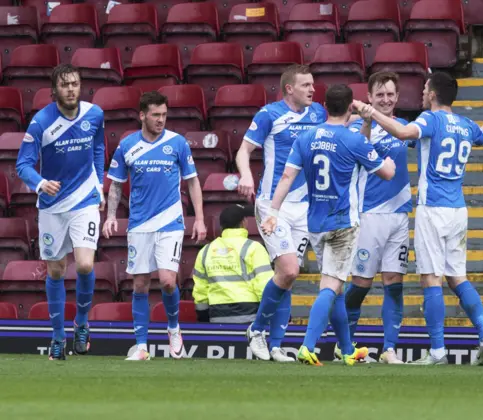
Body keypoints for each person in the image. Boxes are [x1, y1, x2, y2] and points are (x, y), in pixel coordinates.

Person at [353, 72, 483, 366]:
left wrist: (371, 113)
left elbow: (404, 134)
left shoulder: (428, 120)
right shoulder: (465, 124)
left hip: (432, 208)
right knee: (458, 276)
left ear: (432, 95)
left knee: (431, 278)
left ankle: (436, 351)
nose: (421, 93)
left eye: (424, 89)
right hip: (458, 210)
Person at [261, 84, 396, 366]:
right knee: (331, 286)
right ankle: (308, 345)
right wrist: (390, 163)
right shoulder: (353, 140)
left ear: (324, 104)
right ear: (350, 108)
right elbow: (384, 173)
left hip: (315, 223)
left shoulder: (307, 137)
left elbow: (286, 176)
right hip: (342, 223)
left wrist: (273, 211)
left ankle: (347, 350)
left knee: (334, 287)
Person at [103, 91, 207, 361]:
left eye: (164, 115)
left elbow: (193, 181)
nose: (161, 120)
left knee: (168, 281)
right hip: (139, 223)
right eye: (155, 115)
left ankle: (173, 330)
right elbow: (115, 184)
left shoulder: (178, 143)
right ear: (142, 115)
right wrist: (111, 216)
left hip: (171, 221)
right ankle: (141, 346)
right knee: (139, 284)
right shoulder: (127, 146)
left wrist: (199, 218)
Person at [236, 64, 327, 361]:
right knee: (288, 269)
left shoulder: (318, 114)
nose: (312, 89)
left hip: (304, 206)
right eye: (305, 85)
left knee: (288, 276)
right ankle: (258, 330)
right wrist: (246, 175)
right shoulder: (269, 115)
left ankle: (275, 345)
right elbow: (243, 151)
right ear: (289, 89)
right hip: (271, 205)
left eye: (313, 84)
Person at [16, 64, 105, 360]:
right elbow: (23, 165)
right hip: (53, 207)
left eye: (75, 84)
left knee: (84, 266)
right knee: (56, 270)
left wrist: (100, 183)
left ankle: (82, 323)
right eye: (65, 85)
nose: (71, 89)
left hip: (85, 200)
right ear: (55, 90)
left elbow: (98, 149)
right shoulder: (40, 123)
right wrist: (41, 183)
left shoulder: (94, 114)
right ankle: (57, 336)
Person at [341, 71, 411, 364]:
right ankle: (346, 347)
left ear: (397, 97)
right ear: (369, 97)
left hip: (399, 215)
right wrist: (368, 120)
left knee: (395, 282)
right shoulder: (356, 125)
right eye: (379, 94)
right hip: (368, 215)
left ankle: (390, 349)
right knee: (360, 284)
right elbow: (359, 151)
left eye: (390, 94)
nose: (385, 99)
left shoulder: (405, 127)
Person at [191, 204, 295, 362]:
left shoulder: (205, 251)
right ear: (244, 223)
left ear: (221, 226)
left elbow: (200, 292)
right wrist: (281, 314)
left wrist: (204, 320)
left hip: (217, 317)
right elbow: (264, 286)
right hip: (251, 317)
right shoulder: (254, 248)